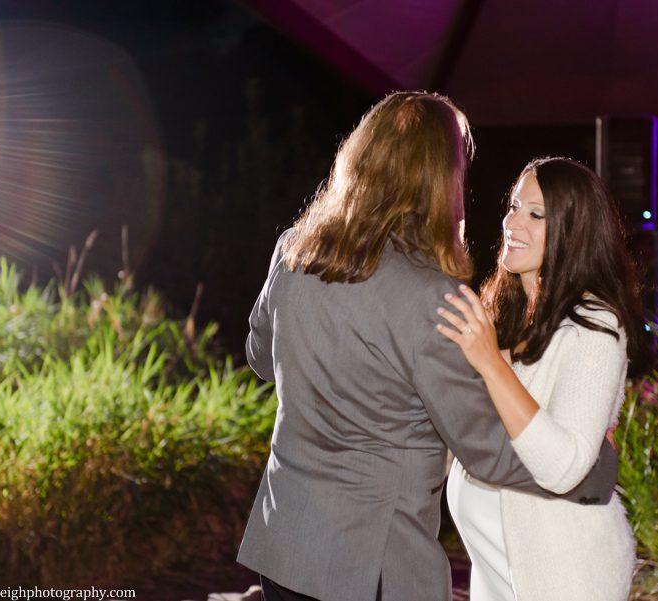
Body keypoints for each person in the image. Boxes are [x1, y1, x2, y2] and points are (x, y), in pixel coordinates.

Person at [238, 94, 619, 601]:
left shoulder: (293, 250)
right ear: (440, 179)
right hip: (369, 566)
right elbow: (485, 451)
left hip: (284, 544)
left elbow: (259, 357)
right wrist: (591, 474)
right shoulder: (431, 297)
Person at [437, 157, 642, 601]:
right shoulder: (509, 320)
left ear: (573, 232)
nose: (513, 221)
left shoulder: (594, 328)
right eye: (513, 206)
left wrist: (490, 364)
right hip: (497, 572)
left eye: (535, 214)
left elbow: (564, 465)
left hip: (566, 577)